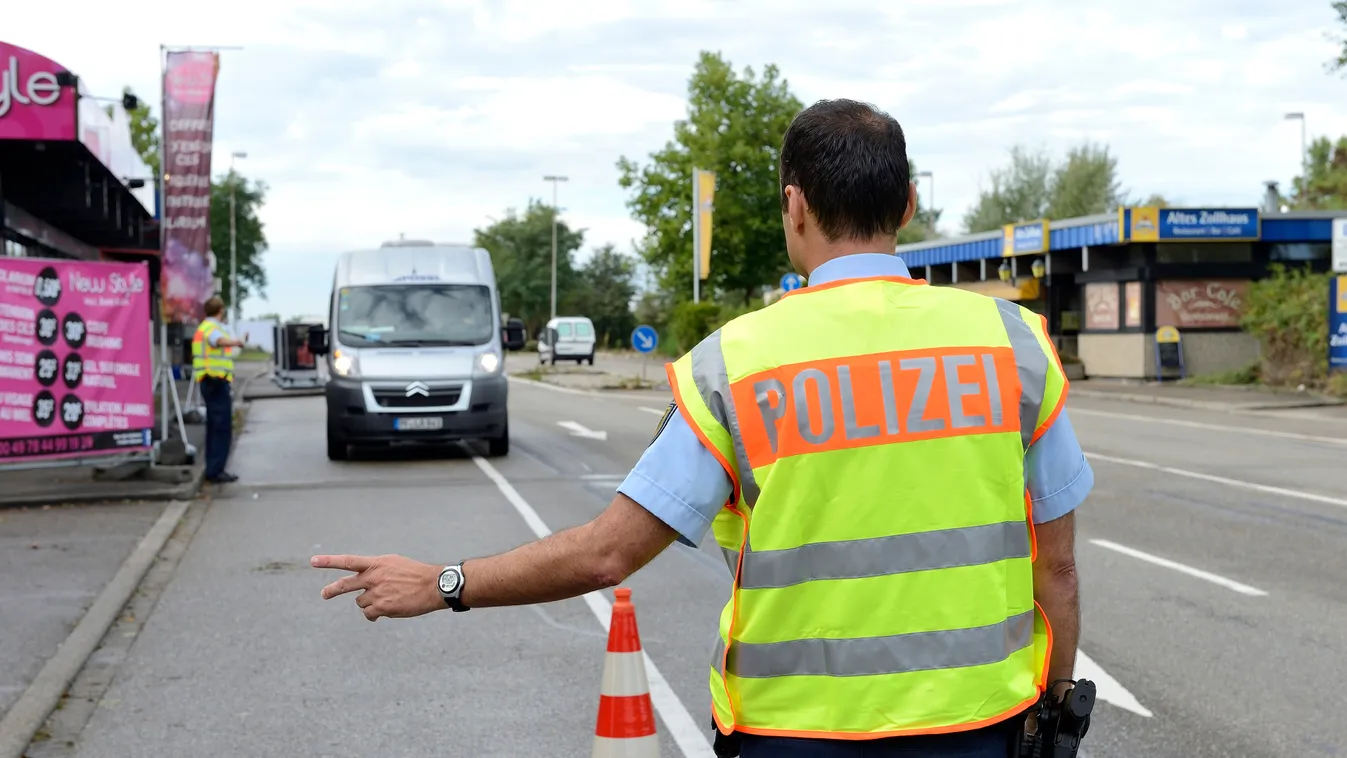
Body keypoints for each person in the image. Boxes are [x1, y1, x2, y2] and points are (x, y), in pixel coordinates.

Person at [312, 99, 1093, 758]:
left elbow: (606, 554)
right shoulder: (1012, 344)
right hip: (980, 731)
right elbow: (1053, 573)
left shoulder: (737, 365)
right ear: (908, 205)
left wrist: (444, 583)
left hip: (796, 735)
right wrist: (1054, 712)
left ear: (793, 204)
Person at [192, 297, 247, 484]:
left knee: (215, 426)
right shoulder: (211, 328)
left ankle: (214, 468)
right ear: (221, 310)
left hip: (210, 381)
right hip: (215, 382)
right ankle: (216, 470)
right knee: (221, 427)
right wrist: (238, 342)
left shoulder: (204, 327)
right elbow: (218, 341)